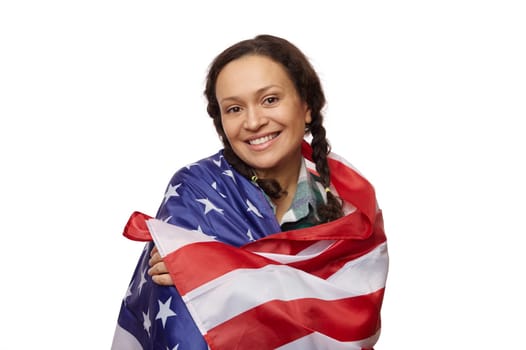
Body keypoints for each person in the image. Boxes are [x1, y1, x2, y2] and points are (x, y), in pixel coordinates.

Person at [112, 34, 388, 350]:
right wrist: (211, 274)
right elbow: (182, 317)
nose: (253, 122)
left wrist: (223, 274)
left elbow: (358, 318)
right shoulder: (196, 190)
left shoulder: (348, 201)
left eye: (270, 99)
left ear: (307, 106)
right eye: (234, 109)